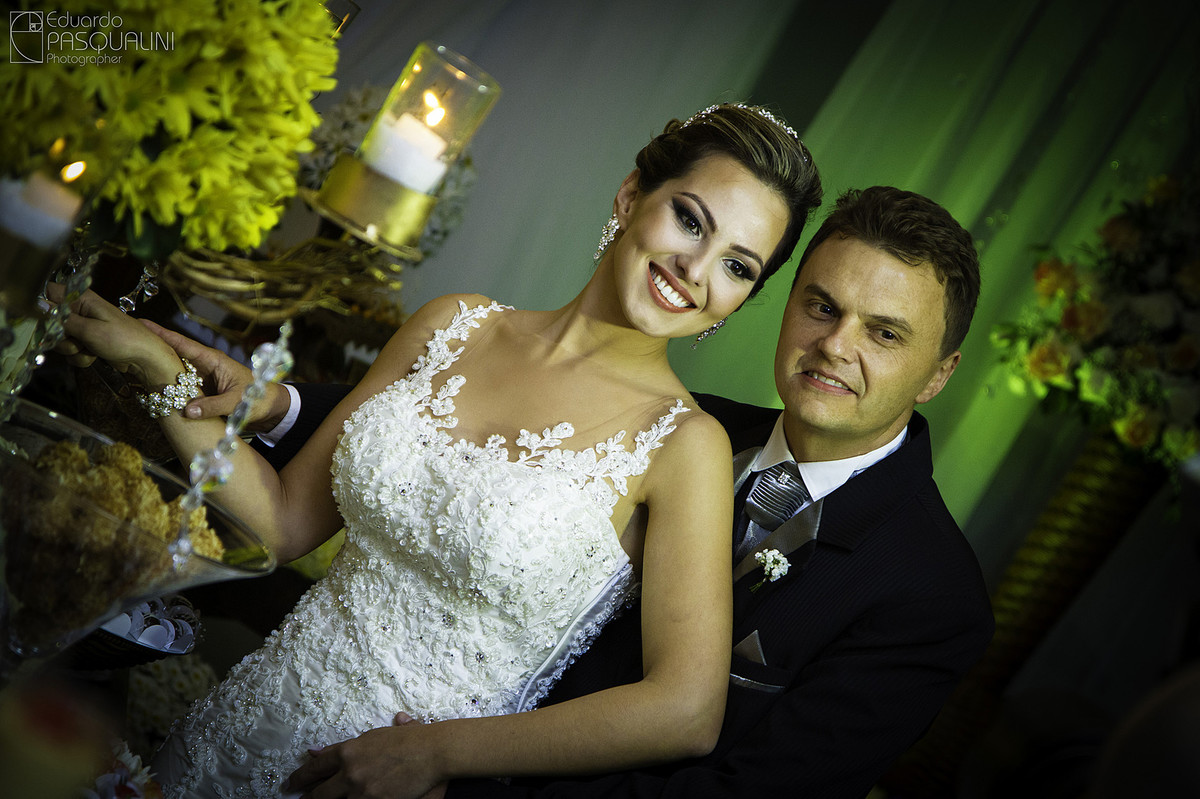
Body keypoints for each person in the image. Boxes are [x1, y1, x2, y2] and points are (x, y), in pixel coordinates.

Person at [52, 103, 822, 799]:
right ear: (630, 198)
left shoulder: (685, 446)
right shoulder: (454, 325)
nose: (696, 269)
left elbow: (684, 710)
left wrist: (437, 753)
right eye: (691, 220)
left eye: (736, 265)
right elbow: (282, 520)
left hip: (390, 782)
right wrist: (155, 366)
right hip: (231, 728)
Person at [167, 186, 995, 798]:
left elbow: (753, 792)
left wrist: (456, 764)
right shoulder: (681, 424)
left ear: (939, 374)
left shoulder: (930, 595)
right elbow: (473, 447)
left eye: (885, 333)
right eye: (822, 305)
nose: (835, 346)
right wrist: (280, 403)